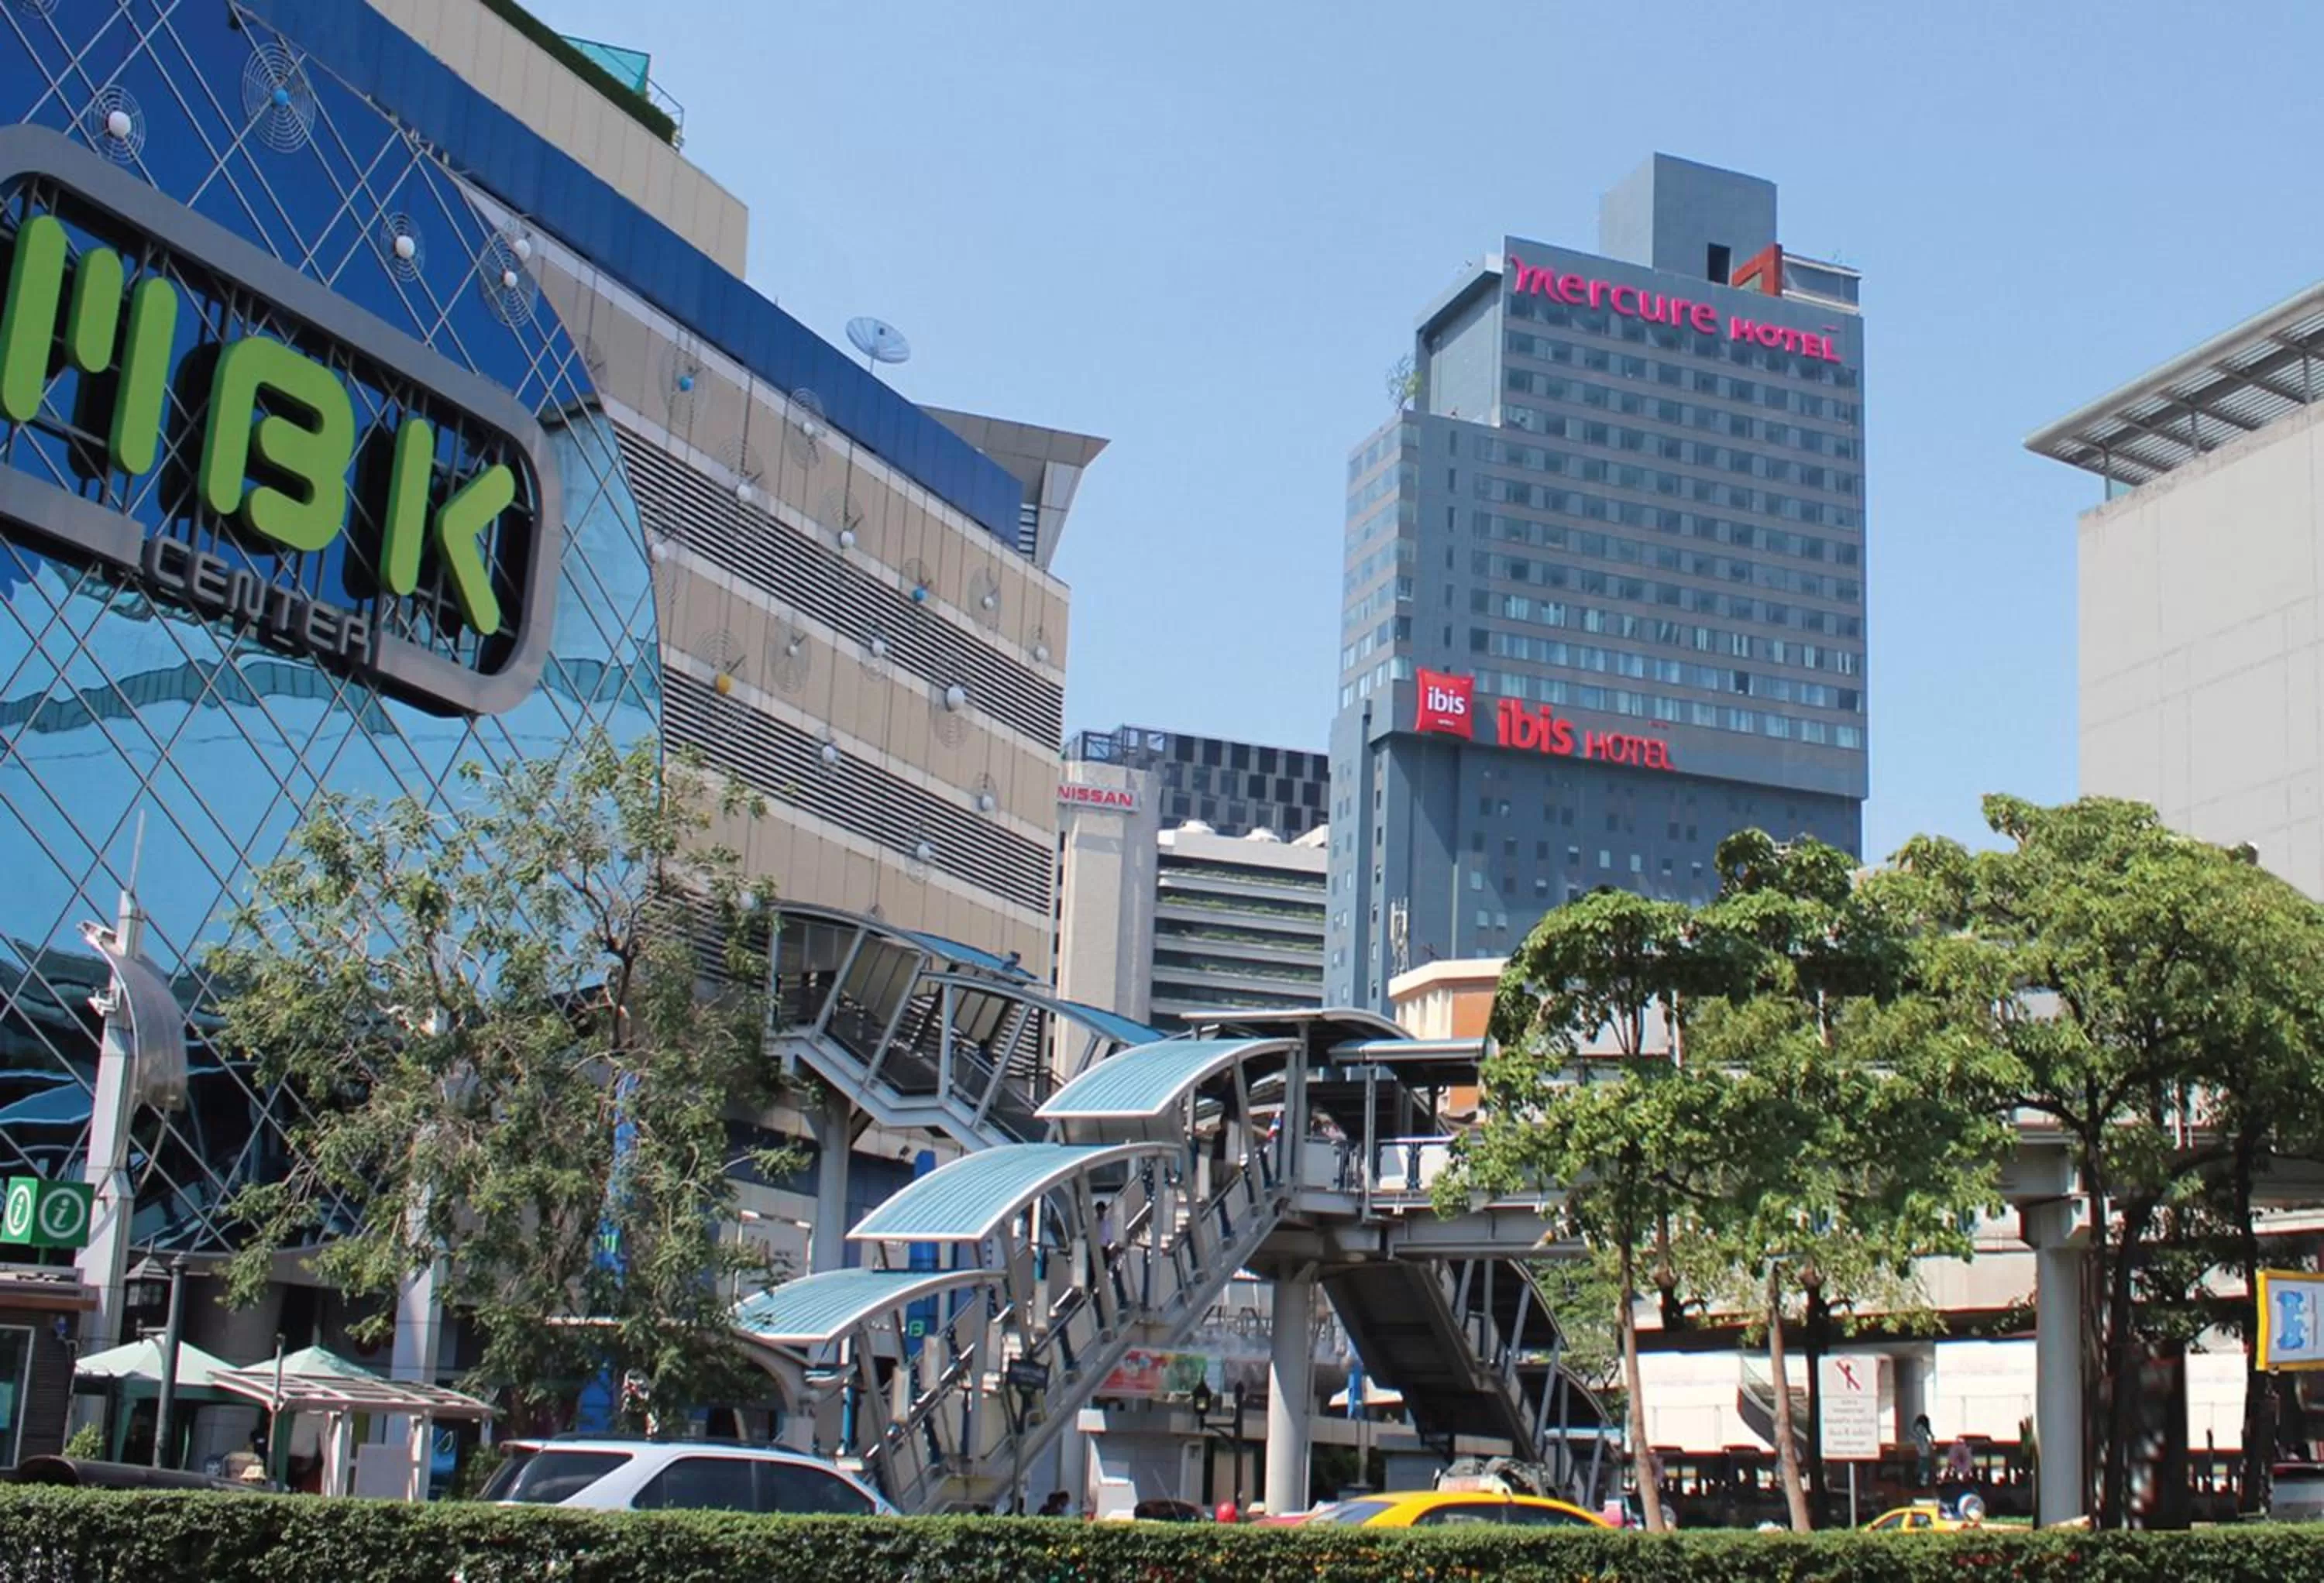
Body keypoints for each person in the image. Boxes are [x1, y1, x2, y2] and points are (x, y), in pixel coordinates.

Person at [1910, 1414, 1935, 1487]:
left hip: (1921, 1453)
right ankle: (1923, 1483)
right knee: (1924, 1470)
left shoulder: (1917, 1429)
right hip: (1923, 1454)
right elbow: (1925, 1439)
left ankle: (1922, 1482)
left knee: (1923, 1470)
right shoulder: (1921, 1429)